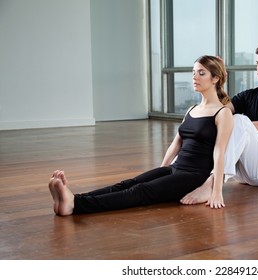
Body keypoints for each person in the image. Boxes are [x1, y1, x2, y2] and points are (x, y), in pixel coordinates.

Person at [48, 55, 233, 216]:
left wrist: (216, 191)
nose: (195, 77)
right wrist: (162, 171)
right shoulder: (192, 109)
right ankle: (74, 198)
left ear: (215, 78)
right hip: (175, 168)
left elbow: (220, 153)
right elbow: (177, 144)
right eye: (193, 72)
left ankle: (75, 205)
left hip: (194, 176)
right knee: (128, 183)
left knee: (140, 191)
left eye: (201, 73)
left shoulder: (222, 113)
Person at [181, 42, 258, 205]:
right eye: (257, 63)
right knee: (211, 120)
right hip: (239, 170)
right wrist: (218, 77)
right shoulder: (250, 94)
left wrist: (232, 123)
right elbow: (219, 112)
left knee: (239, 121)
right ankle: (179, 174)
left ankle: (211, 185)